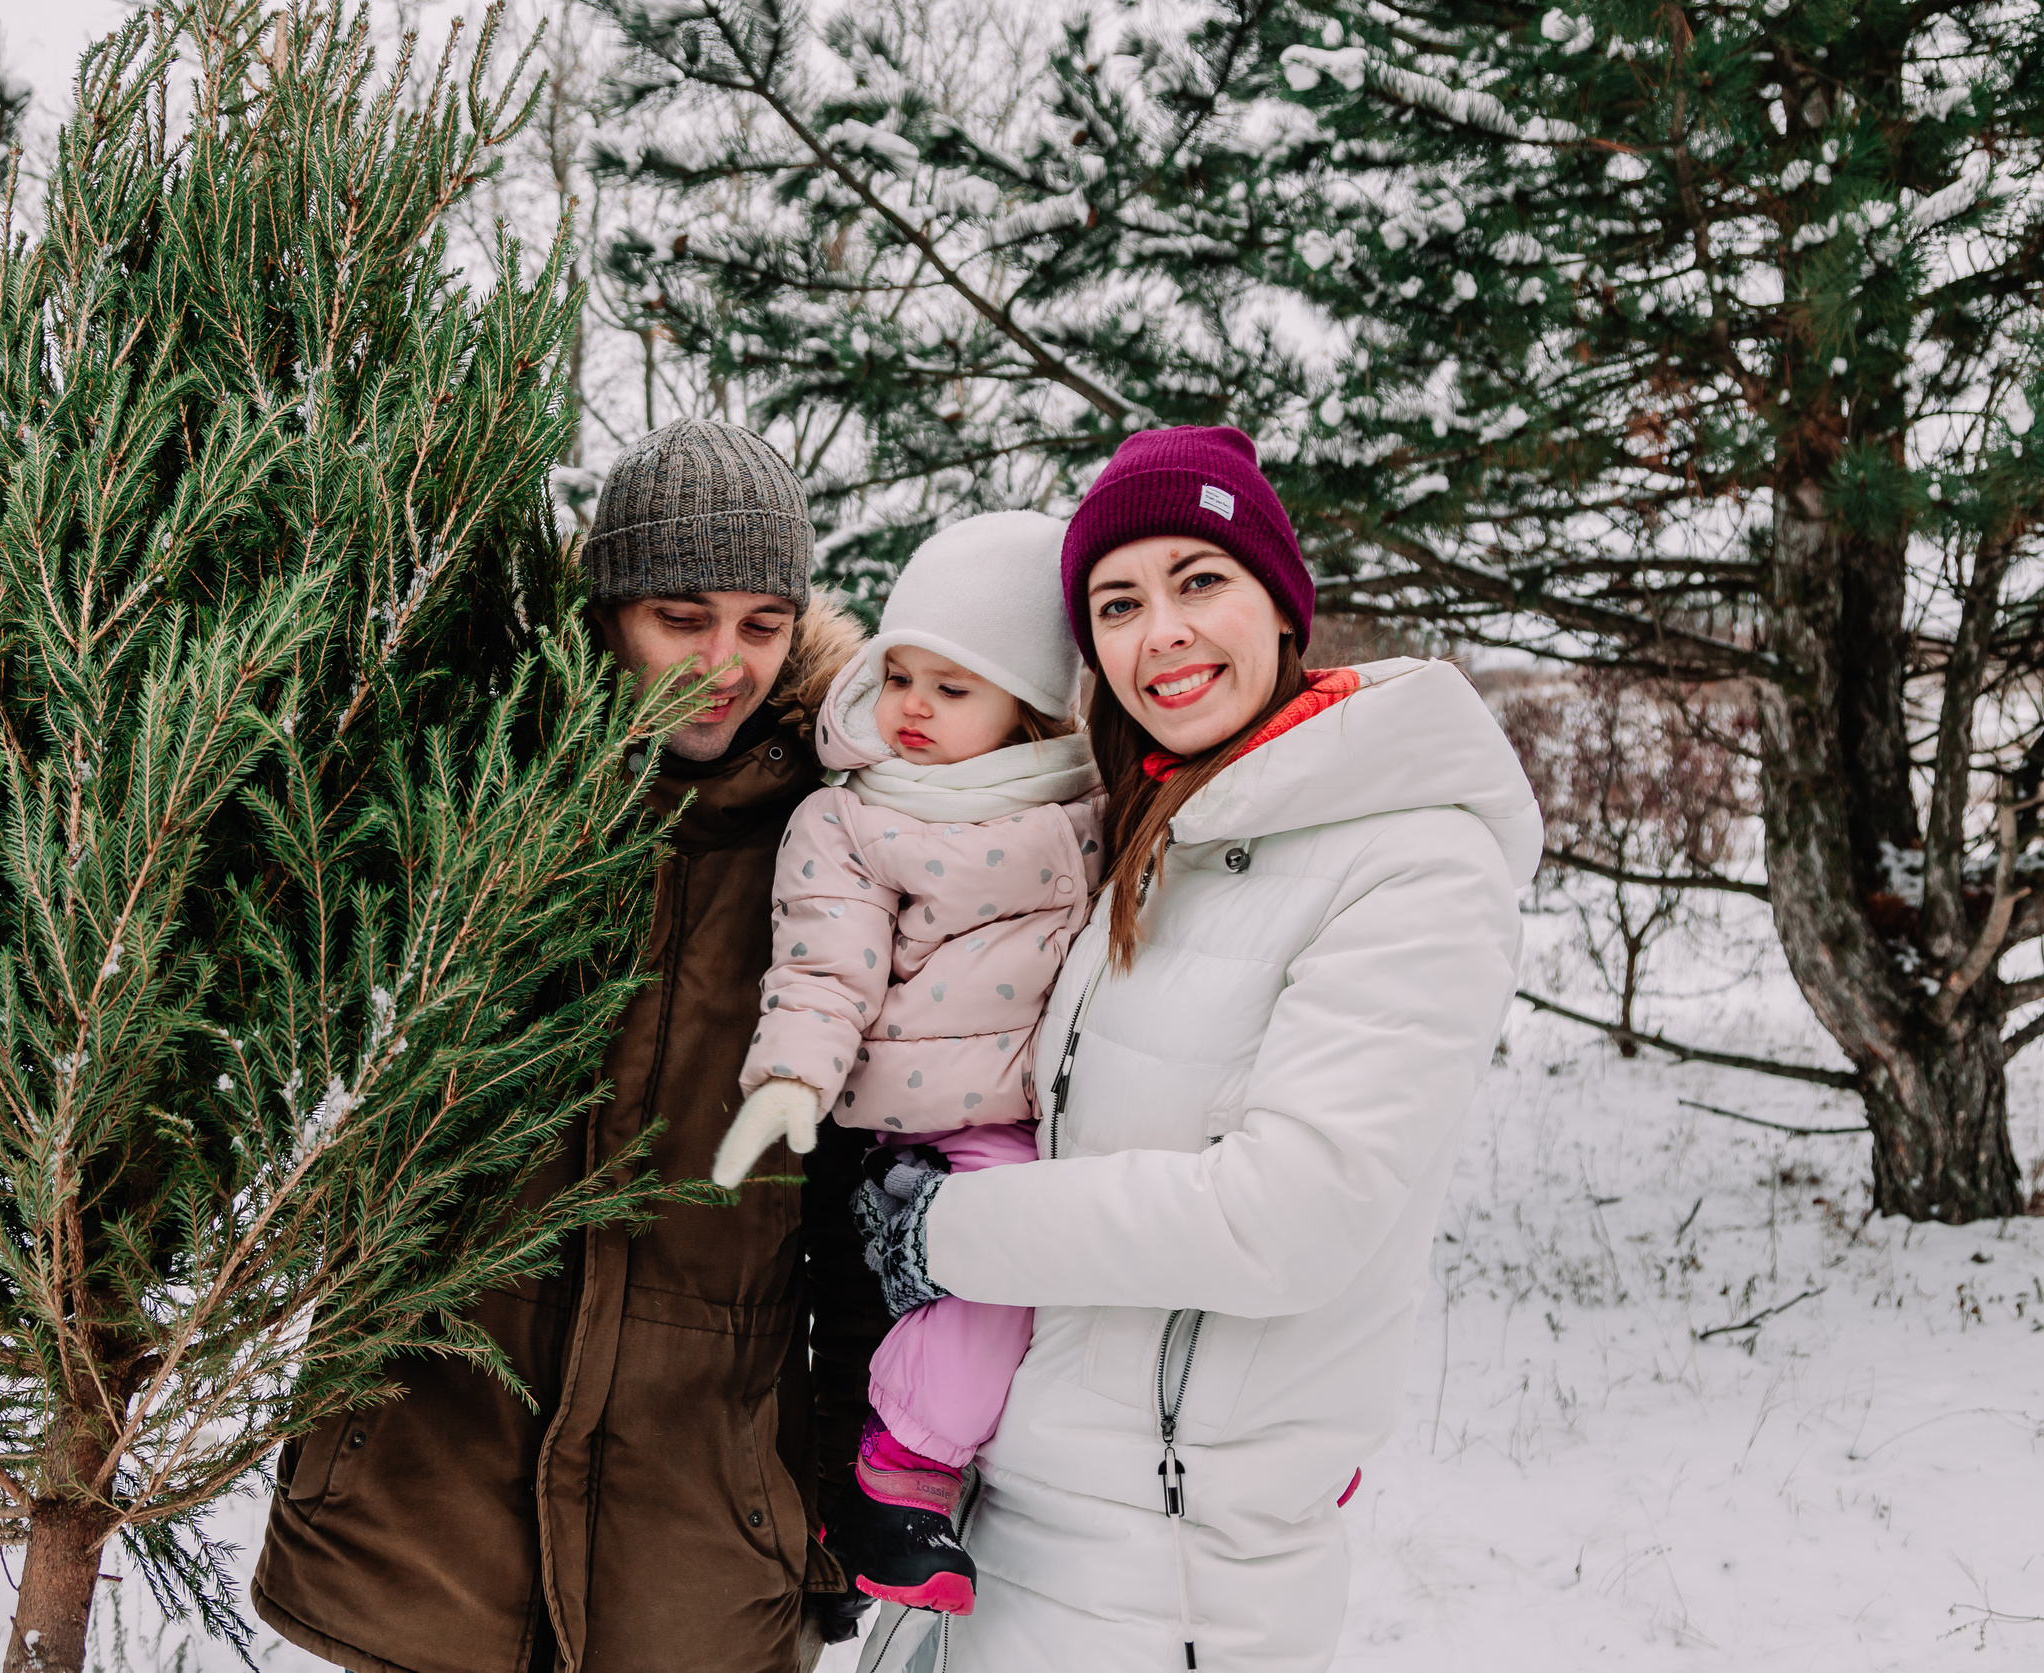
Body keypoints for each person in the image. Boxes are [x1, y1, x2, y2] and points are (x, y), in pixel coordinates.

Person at [851, 425, 1541, 1672]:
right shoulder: (1154, 839)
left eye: (1199, 579)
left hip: (1167, 1576)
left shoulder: (1413, 862)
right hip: (1013, 1532)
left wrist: (937, 1234)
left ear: (1281, 603)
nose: (1159, 630)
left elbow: (1287, 1217)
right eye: (1118, 602)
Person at [253, 419, 886, 1673]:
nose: (724, 663)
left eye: (764, 625)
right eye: (681, 616)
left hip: (706, 1532)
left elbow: (857, 1211)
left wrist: (822, 1502)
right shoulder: (465, 787)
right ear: (604, 610)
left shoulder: (840, 847)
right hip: (421, 1503)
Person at [709, 512, 1104, 1618]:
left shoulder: (1086, 809)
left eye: (954, 687)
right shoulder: (857, 817)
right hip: (939, 1123)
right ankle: (902, 1466)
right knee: (1001, 1276)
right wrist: (791, 1074)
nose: (913, 708)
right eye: (900, 676)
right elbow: (823, 960)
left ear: (1028, 708)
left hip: (1068, 1112)